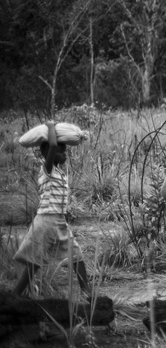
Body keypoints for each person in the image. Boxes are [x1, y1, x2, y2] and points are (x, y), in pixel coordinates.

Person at [14, 121, 92, 297]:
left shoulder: (60, 172)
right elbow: (53, 145)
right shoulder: (46, 169)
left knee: (76, 254)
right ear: (47, 153)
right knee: (35, 260)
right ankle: (16, 295)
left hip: (59, 221)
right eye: (61, 151)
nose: (65, 154)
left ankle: (86, 291)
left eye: (65, 151)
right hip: (46, 221)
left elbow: (55, 147)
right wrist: (50, 126)